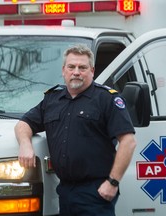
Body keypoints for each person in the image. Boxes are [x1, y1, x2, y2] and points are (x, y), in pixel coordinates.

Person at [14, 44, 136, 216]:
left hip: (96, 190)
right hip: (64, 190)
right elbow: (23, 124)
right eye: (71, 67)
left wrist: (113, 182)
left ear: (92, 71)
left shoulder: (107, 99)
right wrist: (25, 145)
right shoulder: (53, 99)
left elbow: (128, 141)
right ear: (64, 70)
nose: (76, 72)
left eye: (82, 67)